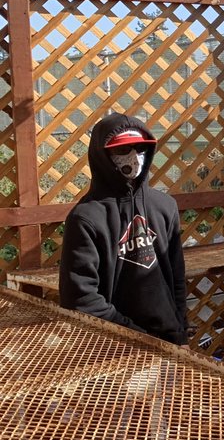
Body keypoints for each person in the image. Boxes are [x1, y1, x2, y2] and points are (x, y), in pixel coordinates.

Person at [60, 114, 188, 344]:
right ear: (103, 155)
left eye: (140, 148)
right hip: (113, 346)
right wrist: (134, 334)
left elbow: (177, 278)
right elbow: (80, 298)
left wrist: (180, 330)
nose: (134, 157)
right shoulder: (86, 218)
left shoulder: (165, 206)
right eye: (122, 150)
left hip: (168, 341)